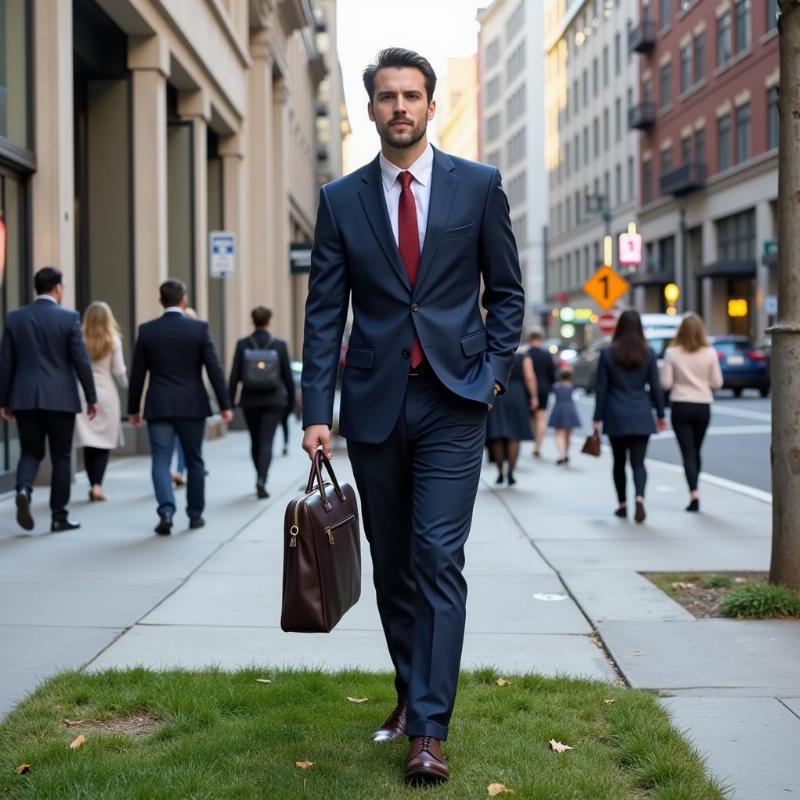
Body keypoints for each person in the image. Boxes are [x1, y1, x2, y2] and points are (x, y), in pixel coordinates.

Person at [301, 48, 524, 784]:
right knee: (394, 562)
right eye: (387, 96)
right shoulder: (340, 200)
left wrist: (491, 376)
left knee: (436, 557)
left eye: (413, 95)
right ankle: (408, 692)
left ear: (432, 105)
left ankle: (428, 729)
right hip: (373, 404)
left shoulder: (478, 187)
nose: (400, 106)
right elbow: (325, 312)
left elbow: (508, 294)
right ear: (370, 108)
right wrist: (316, 410)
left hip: (454, 401)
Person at [128, 279, 232, 534]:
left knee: (161, 461)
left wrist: (133, 409)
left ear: (161, 301)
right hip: (192, 405)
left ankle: (166, 511)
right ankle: (195, 515)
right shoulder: (198, 329)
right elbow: (214, 369)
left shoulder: (147, 330)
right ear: (183, 300)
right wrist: (225, 404)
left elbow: (138, 374)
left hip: (159, 405)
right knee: (194, 460)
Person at [0, 267, 97, 532]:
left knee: (30, 451)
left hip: (25, 397)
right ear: (56, 287)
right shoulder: (69, 318)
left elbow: (5, 362)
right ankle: (59, 516)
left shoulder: (15, 318)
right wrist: (91, 397)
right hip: (60, 399)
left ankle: (23, 489)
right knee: (62, 457)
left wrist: (4, 400)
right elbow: (81, 361)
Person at [593, 309, 666, 523]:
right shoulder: (648, 352)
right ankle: (640, 498)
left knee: (618, 462)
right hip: (641, 413)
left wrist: (597, 418)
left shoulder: (607, 353)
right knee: (638, 463)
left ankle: (622, 505)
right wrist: (660, 414)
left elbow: (601, 389)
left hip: (616, 414)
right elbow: (655, 387)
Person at [228, 306, 294, 498]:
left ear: (252, 321)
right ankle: (262, 479)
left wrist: (229, 401)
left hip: (250, 400)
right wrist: (291, 401)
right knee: (267, 441)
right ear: (269, 321)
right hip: (274, 401)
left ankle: (258, 474)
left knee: (255, 441)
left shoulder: (242, 344)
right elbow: (288, 377)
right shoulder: (279, 345)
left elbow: (235, 375)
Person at [660, 312, 723, 512]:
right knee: (696, 450)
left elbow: (666, 383)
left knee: (687, 452)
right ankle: (696, 488)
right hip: (703, 405)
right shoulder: (710, 353)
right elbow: (717, 383)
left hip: (681, 404)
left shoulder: (672, 353)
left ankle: (693, 493)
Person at [74, 302, 128, 501]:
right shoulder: (113, 341)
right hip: (106, 394)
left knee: (90, 442)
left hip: (84, 394)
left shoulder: (79, 339)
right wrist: (126, 385)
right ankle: (98, 485)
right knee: (103, 443)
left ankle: (92, 483)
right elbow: (119, 371)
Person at [486, 347, 535, 485]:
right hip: (517, 395)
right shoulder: (523, 358)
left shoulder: (493, 355)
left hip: (498, 395)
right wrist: (534, 396)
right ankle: (511, 473)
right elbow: (529, 377)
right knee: (514, 435)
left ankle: (500, 472)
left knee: (497, 434)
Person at [527, 329, 556, 458]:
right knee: (541, 417)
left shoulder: (526, 354)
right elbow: (553, 374)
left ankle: (533, 439)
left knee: (531, 416)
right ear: (541, 339)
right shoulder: (546, 355)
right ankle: (538, 446)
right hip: (544, 388)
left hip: (527, 388)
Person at [548, 367, 582, 465]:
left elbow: (553, 399)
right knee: (568, 435)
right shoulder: (572, 387)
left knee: (559, 434)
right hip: (570, 410)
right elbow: (576, 399)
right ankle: (566, 454)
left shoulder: (556, 386)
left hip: (559, 409)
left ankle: (561, 455)